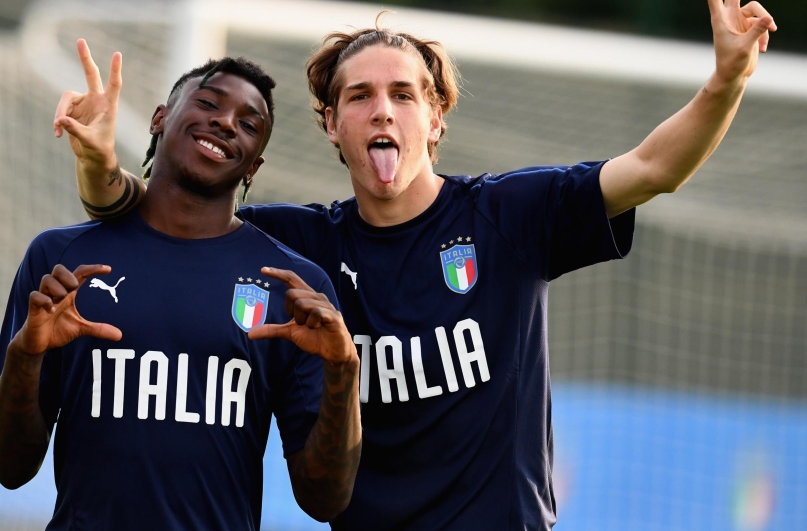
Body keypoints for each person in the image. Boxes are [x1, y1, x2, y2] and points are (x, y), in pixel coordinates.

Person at [57, 2, 777, 528]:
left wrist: (727, 80)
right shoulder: (295, 248)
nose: (382, 110)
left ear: (435, 119)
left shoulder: (509, 216)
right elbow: (151, 220)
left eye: (404, 94)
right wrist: (98, 165)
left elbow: (654, 167)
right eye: (359, 96)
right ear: (333, 125)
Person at [0, 40, 362, 531]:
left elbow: (324, 501)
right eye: (208, 104)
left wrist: (343, 373)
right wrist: (26, 355)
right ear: (159, 118)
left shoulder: (293, 288)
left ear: (253, 167)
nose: (226, 122)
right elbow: (8, 469)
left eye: (249, 124)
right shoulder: (60, 260)